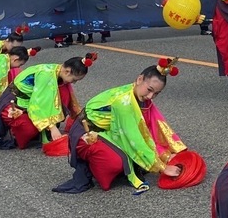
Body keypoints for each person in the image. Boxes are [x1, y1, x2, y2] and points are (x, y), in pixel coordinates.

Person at [54, 59, 186, 194]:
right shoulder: (123, 102)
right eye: (149, 90)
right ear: (140, 79)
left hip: (111, 130)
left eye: (156, 93)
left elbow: (153, 125)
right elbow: (133, 136)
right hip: (87, 133)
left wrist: (168, 153)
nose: (150, 96)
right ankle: (90, 165)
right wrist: (161, 167)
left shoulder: (139, 95)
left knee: (136, 156)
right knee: (115, 163)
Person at [0, 54, 94, 151]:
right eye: (74, 79)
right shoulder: (46, 76)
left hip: (33, 97)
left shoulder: (59, 70)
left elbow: (68, 100)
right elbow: (39, 104)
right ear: (67, 71)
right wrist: (52, 128)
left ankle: (44, 129)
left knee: (65, 93)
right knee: (28, 128)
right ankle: (24, 133)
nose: (74, 83)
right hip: (15, 100)